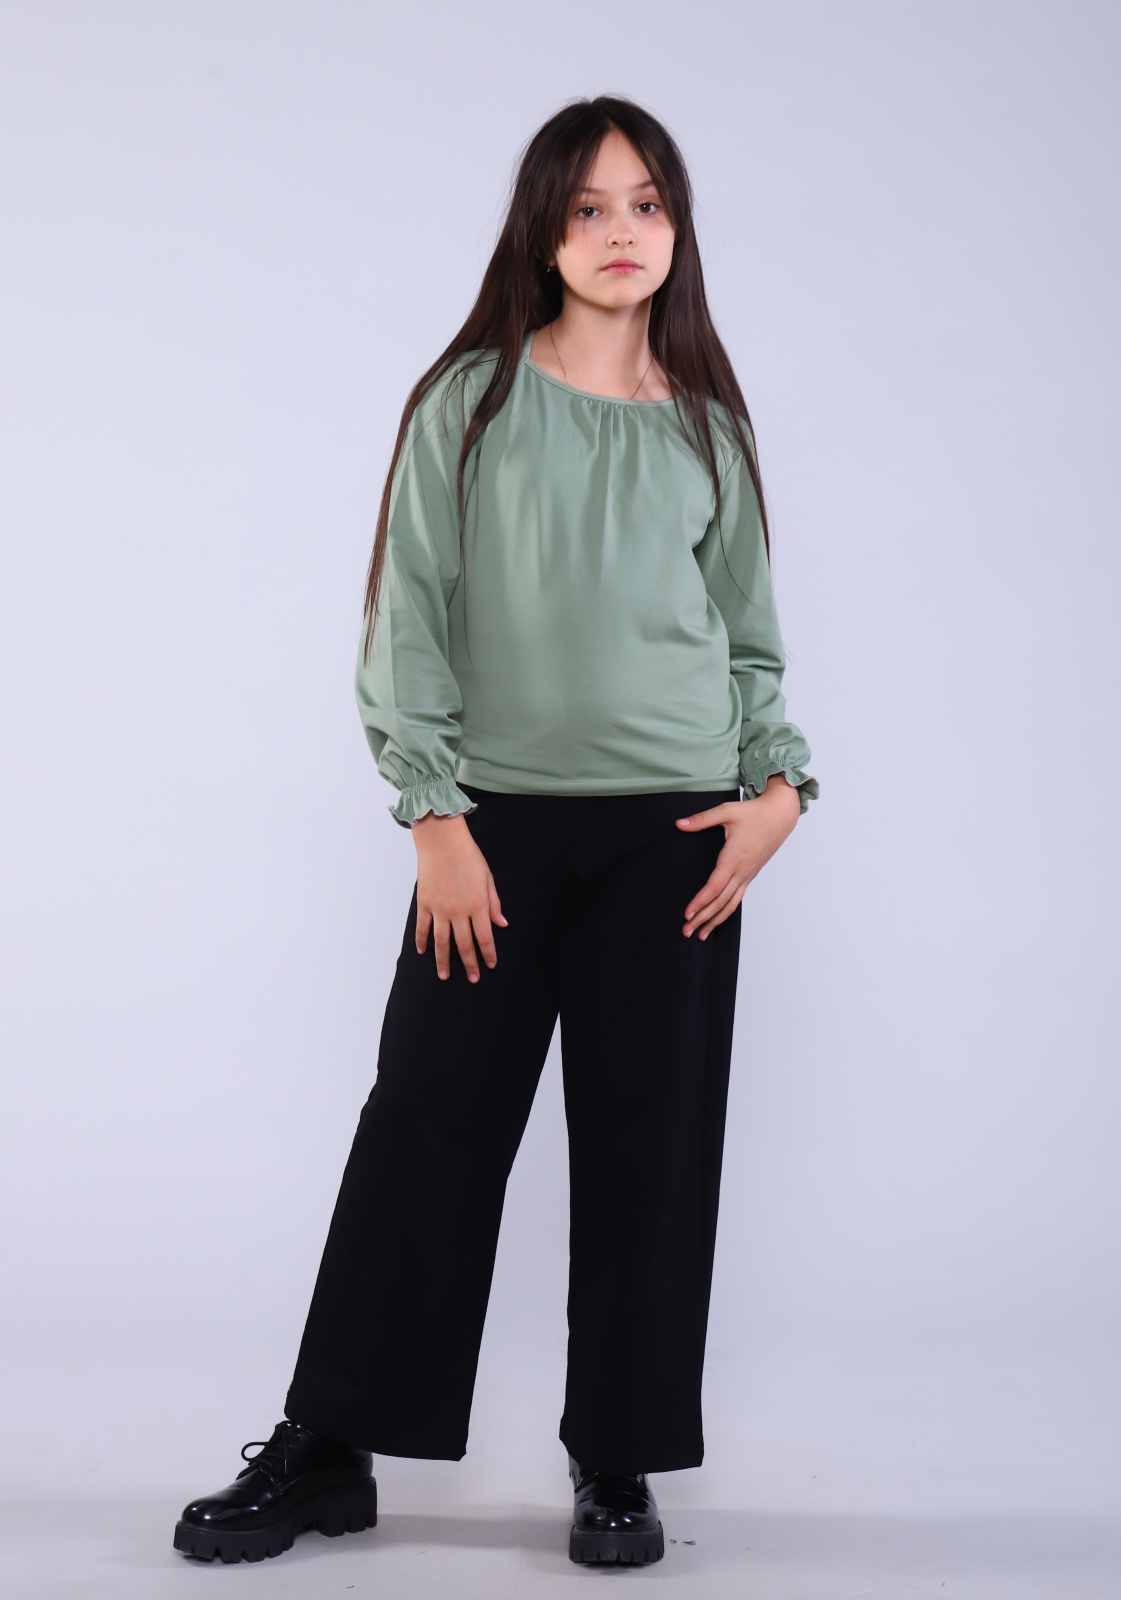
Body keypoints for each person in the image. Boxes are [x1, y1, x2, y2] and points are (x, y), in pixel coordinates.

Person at [173, 94, 818, 1570]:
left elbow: (748, 645)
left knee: (650, 1148)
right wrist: (434, 816)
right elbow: (406, 617)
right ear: (541, 226)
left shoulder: (708, 428)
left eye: (646, 204)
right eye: (588, 206)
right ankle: (331, 1444)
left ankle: (617, 1455)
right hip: (495, 833)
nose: (620, 232)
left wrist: (778, 793)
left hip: (679, 838)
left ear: (678, 229)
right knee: (428, 1120)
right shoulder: (468, 401)